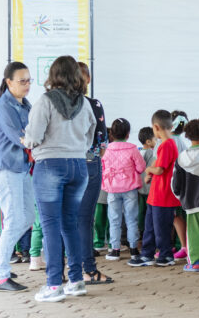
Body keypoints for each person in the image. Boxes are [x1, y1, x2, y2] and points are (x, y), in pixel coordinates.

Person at [25, 55, 95, 302]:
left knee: (50, 225)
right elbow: (90, 136)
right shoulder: (85, 104)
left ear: (53, 75)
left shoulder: (45, 101)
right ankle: (76, 281)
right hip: (79, 166)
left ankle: (54, 284)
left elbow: (33, 136)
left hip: (50, 166)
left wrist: (27, 140)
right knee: (70, 224)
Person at [0, 61, 35, 292]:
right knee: (15, 218)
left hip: (22, 167)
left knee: (28, 217)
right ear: (9, 82)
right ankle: (2, 277)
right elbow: (21, 138)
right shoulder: (3, 107)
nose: (27, 85)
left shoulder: (25, 104)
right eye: (22, 81)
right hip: (5, 168)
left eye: (29, 80)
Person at [128, 110, 181, 268]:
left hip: (163, 196)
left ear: (156, 127)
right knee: (150, 227)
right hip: (156, 195)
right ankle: (147, 254)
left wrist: (149, 170)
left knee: (161, 228)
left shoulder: (167, 145)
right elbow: (158, 165)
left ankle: (166, 255)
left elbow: (159, 169)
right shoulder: (164, 145)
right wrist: (150, 172)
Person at [76, 62, 112, 285]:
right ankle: (88, 269)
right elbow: (102, 143)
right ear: (87, 79)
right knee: (84, 218)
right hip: (89, 163)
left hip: (63, 164)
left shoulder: (56, 104)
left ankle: (61, 271)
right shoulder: (93, 104)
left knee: (63, 219)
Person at [172, 118, 199, 273]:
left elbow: (176, 184)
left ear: (188, 137)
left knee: (192, 233)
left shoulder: (181, 157)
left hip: (190, 202)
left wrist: (180, 196)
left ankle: (195, 263)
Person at [101, 118, 146, 263]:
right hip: (130, 188)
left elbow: (102, 168)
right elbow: (141, 168)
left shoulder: (106, 149)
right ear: (128, 134)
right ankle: (134, 250)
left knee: (114, 219)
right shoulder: (132, 148)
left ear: (111, 134)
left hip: (112, 188)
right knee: (131, 219)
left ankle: (115, 250)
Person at [169, 110, 190, 261]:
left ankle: (182, 246)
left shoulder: (169, 141)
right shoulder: (182, 142)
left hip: (172, 184)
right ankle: (181, 245)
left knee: (175, 216)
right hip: (182, 183)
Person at [137, 126, 156, 233]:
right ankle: (148, 230)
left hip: (140, 187)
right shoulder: (150, 153)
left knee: (141, 210)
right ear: (148, 141)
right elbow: (151, 169)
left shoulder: (139, 152)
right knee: (149, 211)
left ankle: (141, 230)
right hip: (149, 187)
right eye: (155, 139)